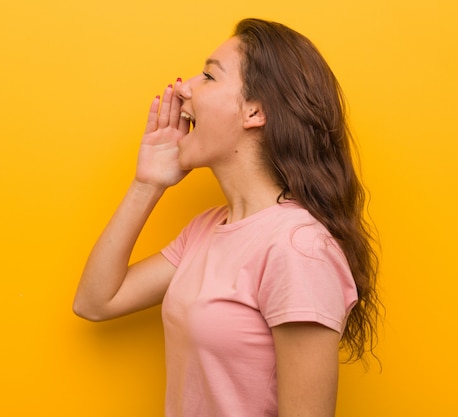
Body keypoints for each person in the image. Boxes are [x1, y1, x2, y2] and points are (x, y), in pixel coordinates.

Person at [73, 18, 380, 417]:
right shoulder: (207, 228)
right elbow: (96, 301)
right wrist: (147, 183)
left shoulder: (298, 248)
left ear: (254, 111)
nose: (184, 87)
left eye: (208, 76)